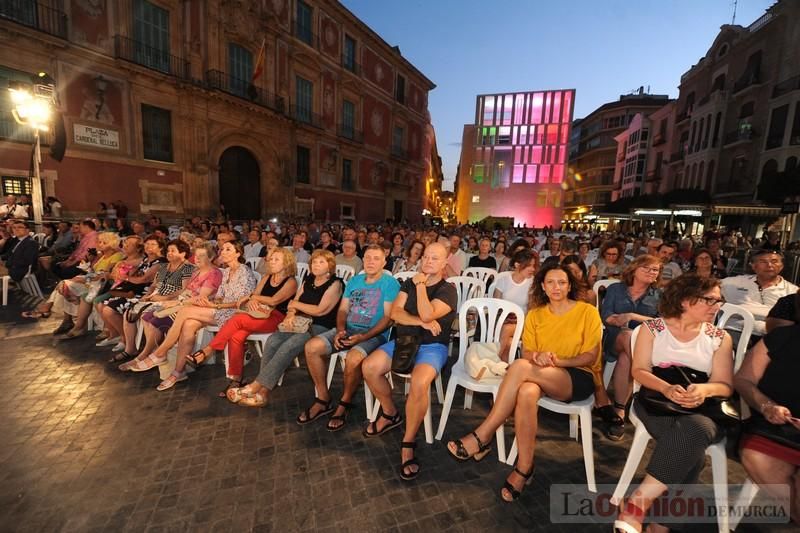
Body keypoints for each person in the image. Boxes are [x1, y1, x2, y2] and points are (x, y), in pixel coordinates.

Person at [446, 263, 602, 501]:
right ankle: (525, 467)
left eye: (561, 282)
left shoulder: (587, 312)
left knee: (518, 366)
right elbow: (528, 353)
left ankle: (484, 434)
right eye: (550, 282)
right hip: (539, 373)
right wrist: (537, 357)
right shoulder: (536, 314)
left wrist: (556, 362)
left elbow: (590, 356)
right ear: (542, 286)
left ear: (570, 285)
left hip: (577, 375)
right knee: (527, 391)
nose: (556, 287)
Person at [614, 275, 733, 533]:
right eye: (710, 300)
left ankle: (637, 504)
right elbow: (640, 371)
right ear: (685, 301)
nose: (717, 306)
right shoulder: (653, 329)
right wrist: (666, 388)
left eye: (719, 300)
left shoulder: (719, 337)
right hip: (657, 401)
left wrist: (704, 389)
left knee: (695, 431)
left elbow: (724, 384)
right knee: (693, 449)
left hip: (703, 407)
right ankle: (659, 524)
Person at [360, 242, 457, 481]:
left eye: (435, 258)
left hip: (433, 346)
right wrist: (420, 323)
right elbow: (395, 313)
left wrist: (422, 285)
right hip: (404, 340)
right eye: (425, 257)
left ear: (445, 264)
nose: (427, 262)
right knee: (369, 367)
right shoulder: (407, 283)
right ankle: (391, 413)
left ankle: (408, 440)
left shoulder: (448, 290)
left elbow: (427, 313)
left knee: (419, 383)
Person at [297, 245, 400, 429]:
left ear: (384, 262)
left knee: (353, 357)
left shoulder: (390, 283)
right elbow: (343, 309)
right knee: (311, 347)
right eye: (368, 257)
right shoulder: (354, 281)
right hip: (349, 329)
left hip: (375, 334)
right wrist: (340, 330)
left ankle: (344, 402)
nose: (370, 262)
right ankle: (323, 398)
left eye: (376, 258)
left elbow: (387, 319)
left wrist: (363, 337)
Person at [224, 250, 343, 407]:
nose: (316, 265)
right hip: (299, 322)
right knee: (273, 341)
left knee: (289, 346)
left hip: (320, 326)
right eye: (314, 262)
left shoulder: (336, 283)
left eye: (321, 262)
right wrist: (290, 314)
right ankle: (263, 393)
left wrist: (295, 305)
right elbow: (294, 301)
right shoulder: (309, 279)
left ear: (330, 266)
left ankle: (255, 386)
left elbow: (321, 310)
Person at [170, 248, 298, 394]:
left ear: (286, 262)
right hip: (257, 314)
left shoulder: (291, 281)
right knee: (236, 337)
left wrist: (253, 298)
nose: (272, 262)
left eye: (277, 259)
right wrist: (252, 299)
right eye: (272, 259)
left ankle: (207, 351)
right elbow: (254, 295)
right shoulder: (267, 277)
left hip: (276, 318)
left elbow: (274, 300)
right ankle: (236, 379)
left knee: (237, 319)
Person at [127, 241, 257, 378]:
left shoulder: (244, 271)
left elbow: (241, 303)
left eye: (228, 249)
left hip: (234, 314)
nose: (223, 252)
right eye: (222, 249)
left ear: (238, 253)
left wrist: (215, 305)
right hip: (219, 310)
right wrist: (211, 302)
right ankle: (178, 371)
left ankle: (160, 353)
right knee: (188, 324)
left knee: (185, 312)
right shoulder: (227, 272)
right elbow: (220, 297)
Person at [734, 315, 800, 524]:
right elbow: (743, 380)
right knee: (757, 456)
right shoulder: (781, 338)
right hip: (775, 426)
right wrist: (767, 406)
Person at [119, 242, 216, 369]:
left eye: (173, 250)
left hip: (177, 301)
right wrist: (148, 296)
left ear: (183, 253)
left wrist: (169, 299)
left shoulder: (190, 269)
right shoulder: (166, 267)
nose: (169, 253)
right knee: (133, 313)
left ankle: (151, 354)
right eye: (168, 250)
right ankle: (134, 349)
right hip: (168, 300)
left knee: (151, 318)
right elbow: (154, 285)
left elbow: (187, 292)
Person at [598, 255, 662, 441]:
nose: (652, 272)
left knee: (627, 356)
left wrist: (632, 316)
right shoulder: (616, 289)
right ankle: (648, 385)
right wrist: (618, 320)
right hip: (614, 338)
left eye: (655, 270)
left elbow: (663, 323)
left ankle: (619, 410)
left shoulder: (658, 295)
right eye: (647, 268)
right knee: (627, 336)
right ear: (634, 269)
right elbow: (606, 315)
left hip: (645, 343)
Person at [721, 249, 798, 346]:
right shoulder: (734, 283)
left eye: (774, 261)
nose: (769, 265)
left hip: (772, 337)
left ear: (781, 266)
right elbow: (707, 287)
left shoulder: (792, 292)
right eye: (763, 261)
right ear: (753, 266)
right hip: (734, 331)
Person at [492, 249, 537, 361]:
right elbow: (495, 305)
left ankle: (493, 359)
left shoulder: (532, 282)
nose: (533, 269)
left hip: (523, 322)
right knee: (509, 342)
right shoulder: (503, 280)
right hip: (503, 319)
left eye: (534, 265)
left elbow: (532, 310)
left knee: (507, 329)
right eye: (529, 266)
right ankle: (503, 367)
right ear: (517, 265)